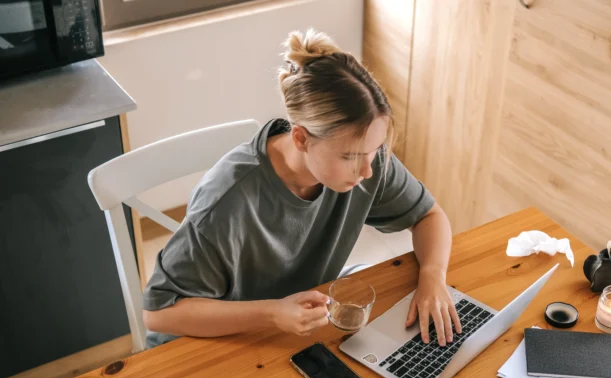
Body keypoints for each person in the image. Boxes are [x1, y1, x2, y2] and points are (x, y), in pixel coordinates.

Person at [142, 29, 461, 348]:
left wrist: (433, 276)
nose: (367, 171)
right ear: (301, 139)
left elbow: (429, 216)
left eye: (373, 150)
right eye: (350, 156)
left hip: (297, 331)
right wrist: (272, 313)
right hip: (221, 344)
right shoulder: (228, 200)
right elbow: (159, 316)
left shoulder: (366, 161)